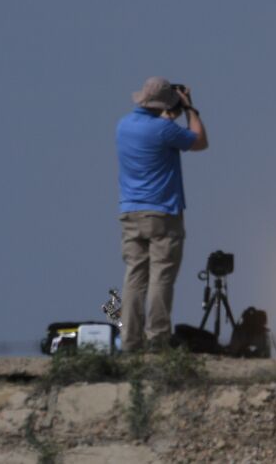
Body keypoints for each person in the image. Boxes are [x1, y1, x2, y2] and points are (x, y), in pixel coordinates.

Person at [115, 76, 209, 352]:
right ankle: (157, 339)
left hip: (130, 212)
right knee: (161, 277)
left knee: (134, 278)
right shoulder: (164, 131)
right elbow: (199, 141)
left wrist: (169, 112)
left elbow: (159, 129)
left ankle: (130, 341)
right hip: (163, 214)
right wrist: (190, 109)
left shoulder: (123, 126)